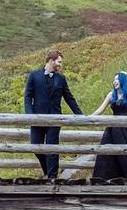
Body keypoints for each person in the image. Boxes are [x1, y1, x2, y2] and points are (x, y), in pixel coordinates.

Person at [23, 50, 83, 178]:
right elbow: (27, 97)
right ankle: (48, 171)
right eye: (59, 62)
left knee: (52, 149)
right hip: (37, 118)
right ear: (51, 61)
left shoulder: (61, 78)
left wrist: (81, 116)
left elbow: (69, 98)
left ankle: (52, 178)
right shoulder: (34, 75)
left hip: (55, 118)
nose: (60, 65)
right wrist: (30, 115)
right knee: (35, 146)